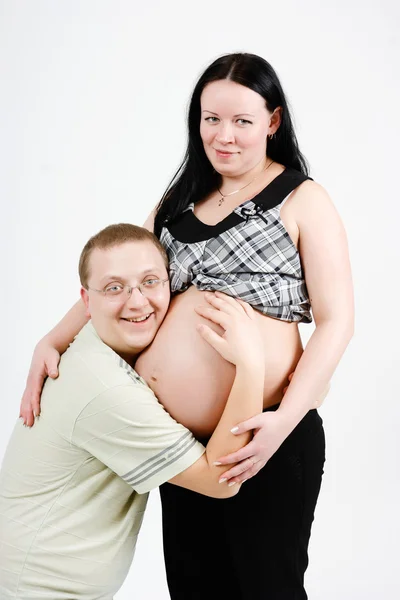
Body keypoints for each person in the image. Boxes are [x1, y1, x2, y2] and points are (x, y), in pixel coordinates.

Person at [19, 52, 354, 599]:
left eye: (242, 121)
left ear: (272, 122)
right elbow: (121, 275)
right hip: (185, 444)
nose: (224, 135)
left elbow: (338, 322)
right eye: (210, 119)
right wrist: (50, 339)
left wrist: (285, 422)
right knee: (197, 589)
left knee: (268, 587)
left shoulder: (302, 199)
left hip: (269, 433)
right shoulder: (180, 199)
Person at [0, 223, 266, 599]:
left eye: (150, 282)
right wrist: (253, 367)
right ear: (85, 301)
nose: (138, 302)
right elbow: (218, 482)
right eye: (114, 288)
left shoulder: (99, 349)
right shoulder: (103, 386)